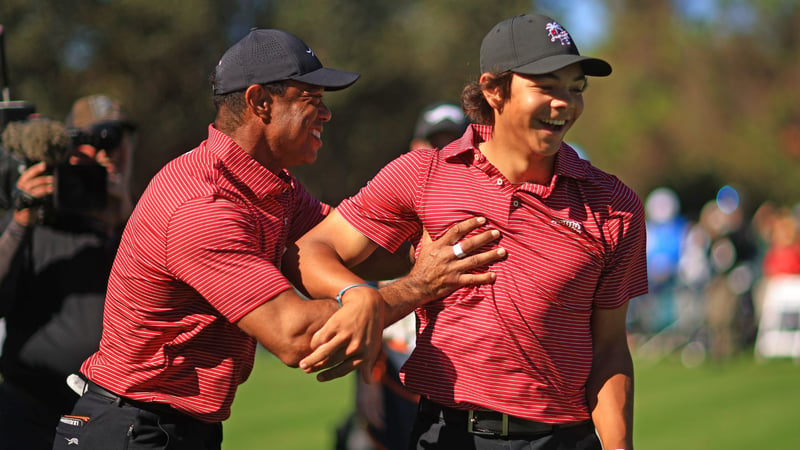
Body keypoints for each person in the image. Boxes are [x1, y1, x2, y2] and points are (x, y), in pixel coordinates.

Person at [53, 29, 504, 450]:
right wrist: (419, 286)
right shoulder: (201, 204)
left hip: (171, 426)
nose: (326, 112)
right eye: (311, 99)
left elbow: (357, 247)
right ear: (259, 102)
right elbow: (293, 334)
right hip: (130, 428)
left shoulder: (273, 184)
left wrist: (453, 242)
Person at [290, 13, 648, 450]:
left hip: (562, 440)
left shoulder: (615, 206)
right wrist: (358, 295)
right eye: (547, 86)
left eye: (575, 89)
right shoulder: (424, 174)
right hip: (446, 435)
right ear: (494, 90)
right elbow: (311, 248)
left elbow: (610, 349)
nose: (565, 103)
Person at [0, 95, 137, 450]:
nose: (108, 152)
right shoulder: (38, 217)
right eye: (93, 141)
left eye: (117, 139)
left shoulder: (140, 223)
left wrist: (124, 220)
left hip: (110, 417)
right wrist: (20, 220)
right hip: (27, 412)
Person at [336, 102, 469, 450]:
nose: (440, 152)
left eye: (451, 142)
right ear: (415, 148)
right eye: (433, 141)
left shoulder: (479, 210)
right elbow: (362, 297)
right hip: (396, 385)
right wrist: (367, 382)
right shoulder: (392, 212)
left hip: (462, 391)